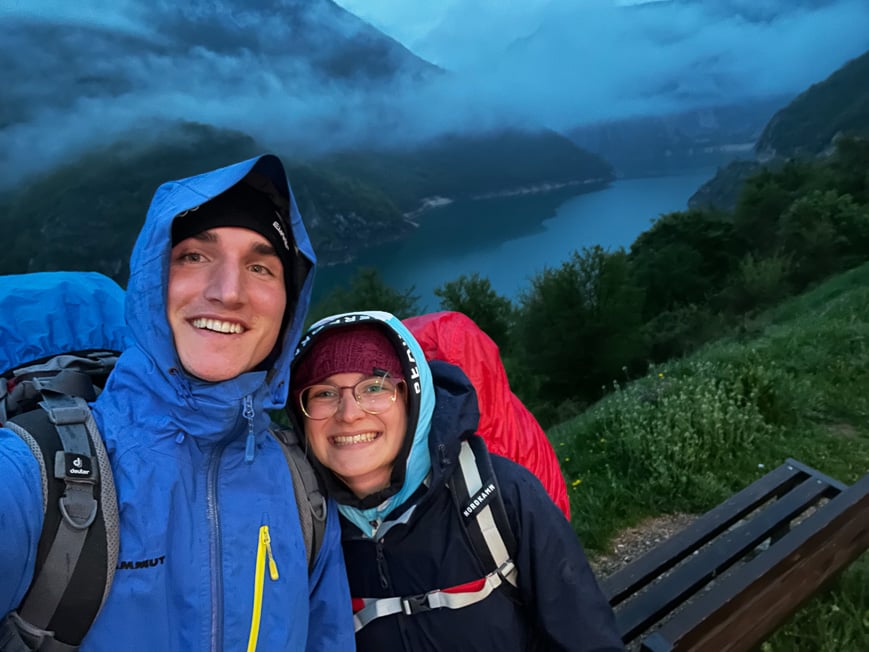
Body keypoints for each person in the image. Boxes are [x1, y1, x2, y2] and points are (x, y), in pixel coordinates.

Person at [0, 155, 355, 651]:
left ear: (288, 307)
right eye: (194, 256)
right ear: (150, 281)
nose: (229, 292)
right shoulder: (36, 475)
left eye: (260, 266)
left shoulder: (303, 493)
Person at [287, 310, 625, 651]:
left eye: (375, 386)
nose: (349, 413)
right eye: (324, 393)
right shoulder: (301, 534)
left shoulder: (503, 497)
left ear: (412, 400)